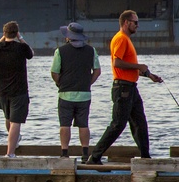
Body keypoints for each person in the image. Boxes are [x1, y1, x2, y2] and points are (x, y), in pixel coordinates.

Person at [87, 10, 162, 164]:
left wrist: (148, 75)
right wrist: (139, 65)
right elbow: (117, 63)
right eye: (135, 22)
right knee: (118, 124)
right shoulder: (121, 39)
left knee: (140, 123)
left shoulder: (127, 40)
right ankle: (94, 157)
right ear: (127, 23)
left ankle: (145, 158)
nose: (138, 26)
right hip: (123, 89)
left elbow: (127, 67)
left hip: (131, 88)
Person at [50, 22, 101, 159]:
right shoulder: (91, 50)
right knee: (83, 124)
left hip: (65, 94)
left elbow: (54, 72)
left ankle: (64, 154)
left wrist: (60, 83)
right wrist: (88, 83)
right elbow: (97, 71)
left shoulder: (60, 51)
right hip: (84, 94)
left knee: (64, 125)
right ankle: (85, 154)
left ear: (68, 36)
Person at [0, 21, 34, 158]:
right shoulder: (21, 48)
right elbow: (31, 53)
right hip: (18, 91)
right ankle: (10, 153)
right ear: (16, 33)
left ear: (4, 33)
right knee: (16, 122)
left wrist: (4, 37)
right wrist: (20, 38)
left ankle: (14, 142)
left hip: (2, 92)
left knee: (8, 118)